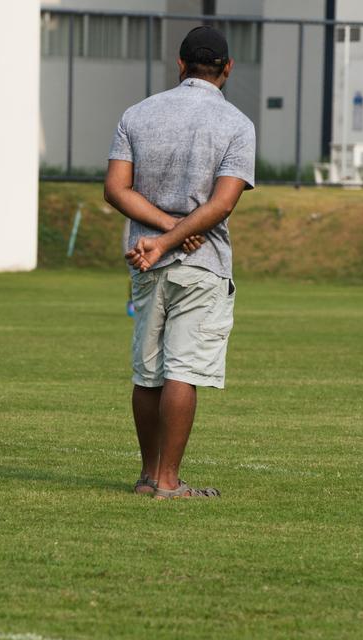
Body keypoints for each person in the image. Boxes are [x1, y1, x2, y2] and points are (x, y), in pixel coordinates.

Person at [104, 26, 256, 499]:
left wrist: (162, 236)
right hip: (201, 262)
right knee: (182, 371)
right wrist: (177, 235)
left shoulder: (138, 114)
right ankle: (169, 481)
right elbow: (223, 204)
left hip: (146, 261)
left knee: (147, 372)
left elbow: (116, 189)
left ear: (180, 63)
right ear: (227, 69)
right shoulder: (236, 124)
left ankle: (149, 476)